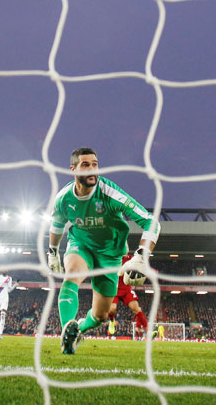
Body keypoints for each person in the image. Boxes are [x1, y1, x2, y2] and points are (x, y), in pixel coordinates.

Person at [47, 147, 161, 355]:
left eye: (95, 165)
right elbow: (56, 226)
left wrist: (142, 255)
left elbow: (151, 222)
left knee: (100, 316)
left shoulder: (110, 193)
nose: (92, 169)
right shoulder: (63, 199)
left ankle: (78, 329)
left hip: (110, 254)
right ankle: (67, 334)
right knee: (71, 275)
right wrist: (52, 252)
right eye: (85, 165)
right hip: (81, 244)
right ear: (73, 170)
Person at [107, 253, 153, 340]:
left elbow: (140, 265)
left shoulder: (131, 259)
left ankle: (148, 331)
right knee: (112, 309)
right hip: (114, 288)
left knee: (137, 309)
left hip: (126, 289)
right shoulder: (112, 256)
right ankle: (112, 322)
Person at [0, 271, 18, 339]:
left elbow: (9, 290)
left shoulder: (9, 278)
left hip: (5, 298)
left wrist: (15, 284)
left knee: (2, 316)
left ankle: (1, 334)